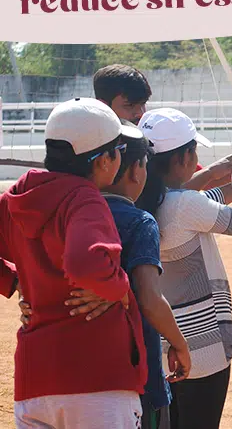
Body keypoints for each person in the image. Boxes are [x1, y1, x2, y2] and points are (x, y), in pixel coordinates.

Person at [18, 121, 194, 429]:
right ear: (137, 171)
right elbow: (150, 299)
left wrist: (23, 288)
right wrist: (179, 344)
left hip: (43, 377)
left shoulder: (51, 211)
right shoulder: (139, 222)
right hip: (119, 376)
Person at [0, 97, 148, 428]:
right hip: (96, 376)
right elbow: (84, 264)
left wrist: (14, 281)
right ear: (105, 160)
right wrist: (118, 287)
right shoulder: (84, 198)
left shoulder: (15, 198)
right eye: (118, 151)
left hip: (34, 380)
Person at [135, 107, 232, 429]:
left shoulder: (144, 198)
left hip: (166, 346)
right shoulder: (185, 205)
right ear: (183, 159)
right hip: (203, 350)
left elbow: (200, 202)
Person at [92, 63, 232, 191]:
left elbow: (188, 181)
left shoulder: (145, 138)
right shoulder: (91, 150)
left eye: (142, 105)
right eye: (130, 106)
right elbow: (168, 200)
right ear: (102, 105)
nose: (140, 113)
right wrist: (215, 175)